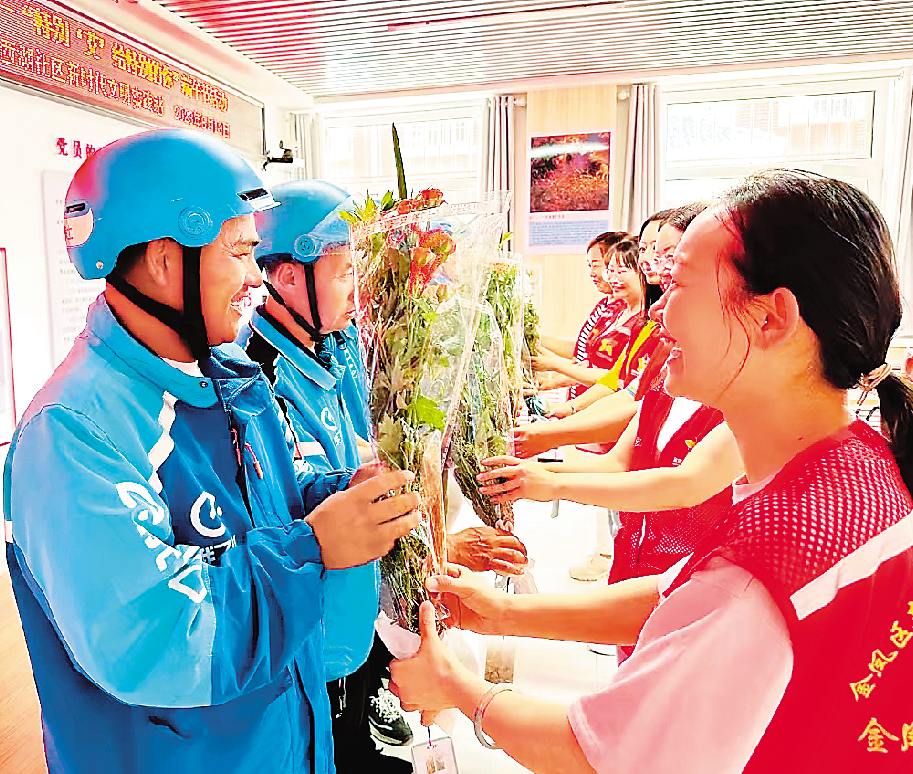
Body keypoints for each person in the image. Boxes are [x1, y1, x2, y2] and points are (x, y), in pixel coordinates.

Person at [389, 170, 913, 773]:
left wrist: (455, 686)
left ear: (772, 317)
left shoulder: (761, 571)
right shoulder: (857, 463)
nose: (659, 311)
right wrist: (501, 613)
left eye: (680, 283)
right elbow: (678, 595)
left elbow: (598, 756)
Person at [3, 129, 420, 774]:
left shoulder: (224, 377)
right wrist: (314, 547)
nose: (258, 278)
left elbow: (268, 506)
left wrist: (345, 492)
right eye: (241, 251)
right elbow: (160, 636)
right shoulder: (74, 432)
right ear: (166, 261)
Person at [240, 179, 414, 770]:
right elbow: (298, 503)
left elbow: (360, 440)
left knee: (356, 714)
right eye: (343, 274)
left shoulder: (333, 344)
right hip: (315, 618)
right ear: (289, 277)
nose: (356, 291)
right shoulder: (258, 376)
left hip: (357, 597)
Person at [534, 238, 643, 411]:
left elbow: (617, 379)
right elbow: (589, 360)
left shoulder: (644, 322)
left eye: (620, 271)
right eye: (610, 271)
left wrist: (556, 365)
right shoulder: (615, 311)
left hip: (604, 410)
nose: (612, 278)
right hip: (585, 403)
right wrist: (554, 382)